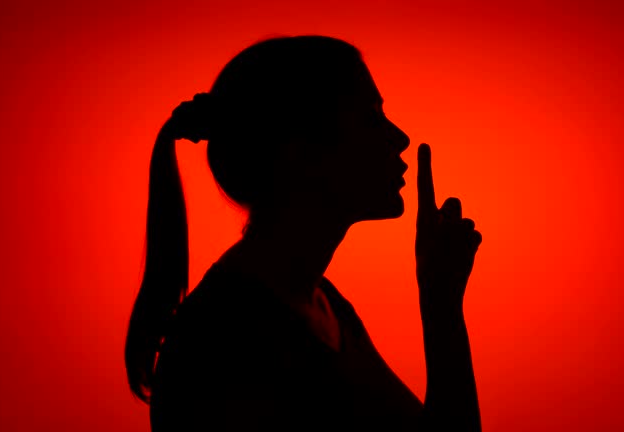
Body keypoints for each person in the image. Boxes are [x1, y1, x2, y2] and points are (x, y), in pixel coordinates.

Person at [124, 35, 483, 432]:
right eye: (369, 118)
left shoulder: (325, 306)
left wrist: (441, 299)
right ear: (298, 152)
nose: (399, 138)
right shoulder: (226, 338)